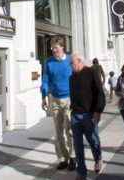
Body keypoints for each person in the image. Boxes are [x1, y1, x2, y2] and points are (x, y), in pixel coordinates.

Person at [69, 53, 106, 177]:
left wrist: (98, 111)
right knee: (78, 145)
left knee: (93, 141)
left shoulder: (91, 73)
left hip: (89, 115)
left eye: (71, 63)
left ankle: (98, 158)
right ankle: (81, 173)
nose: (70, 66)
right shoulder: (72, 77)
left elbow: (100, 93)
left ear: (80, 61)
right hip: (75, 115)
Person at [41, 37, 75, 170]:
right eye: (52, 48)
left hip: (69, 99)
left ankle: (72, 157)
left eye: (56, 47)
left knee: (70, 130)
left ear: (62, 47)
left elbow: (77, 76)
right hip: (54, 100)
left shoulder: (70, 60)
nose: (54, 50)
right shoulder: (49, 62)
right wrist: (43, 97)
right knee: (58, 132)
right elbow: (45, 80)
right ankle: (62, 158)